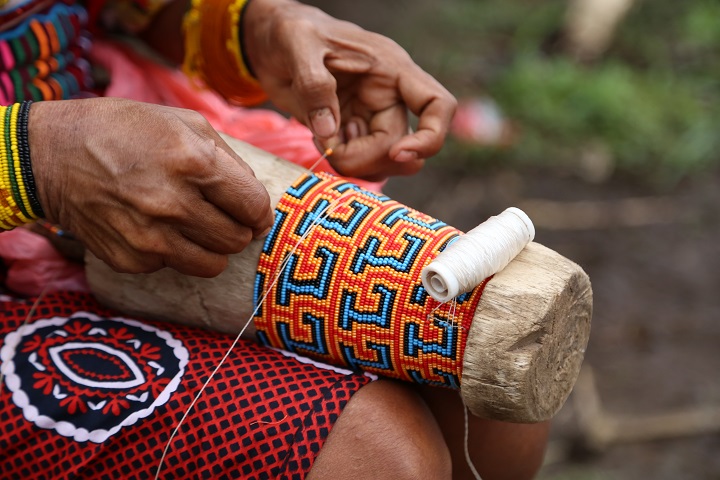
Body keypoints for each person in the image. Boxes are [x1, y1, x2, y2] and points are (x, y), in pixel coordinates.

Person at [0, 0, 549, 478]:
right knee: (373, 457)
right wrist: (36, 160)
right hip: (39, 207)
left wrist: (252, 29)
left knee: (480, 380)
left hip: (110, 149)